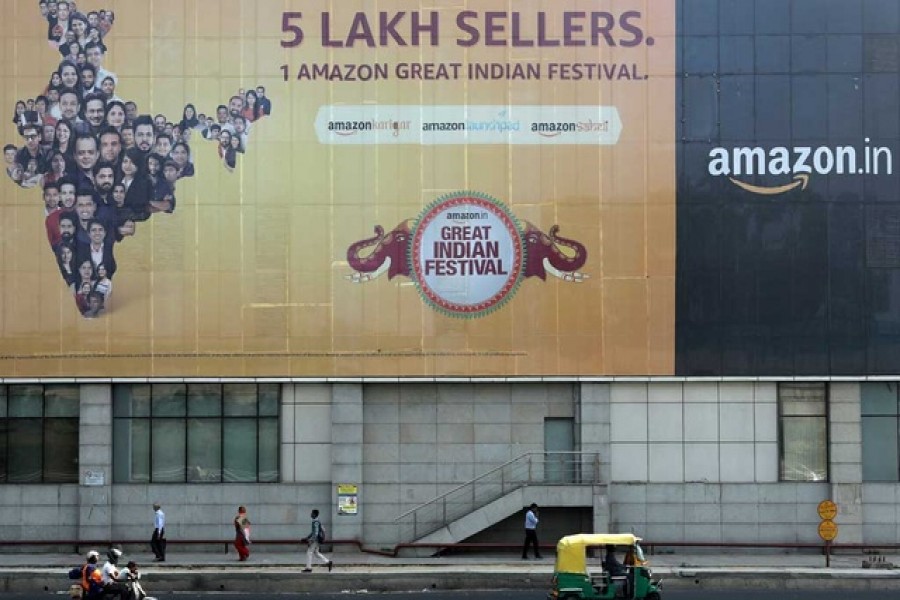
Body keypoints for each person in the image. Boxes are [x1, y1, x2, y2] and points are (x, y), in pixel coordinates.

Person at [302, 509, 333, 573]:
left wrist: (311, 540)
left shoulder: (315, 522)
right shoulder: (317, 521)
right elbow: (314, 532)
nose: (311, 514)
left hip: (315, 540)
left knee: (309, 552)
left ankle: (308, 568)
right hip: (317, 540)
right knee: (316, 553)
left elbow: (315, 533)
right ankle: (328, 562)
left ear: (314, 514)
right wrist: (307, 537)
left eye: (312, 513)